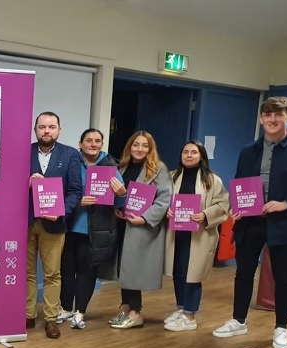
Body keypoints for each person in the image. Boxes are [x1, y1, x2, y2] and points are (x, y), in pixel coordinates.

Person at [212, 96, 287, 348]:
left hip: (283, 223)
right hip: (249, 223)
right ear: (261, 118)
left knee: (283, 277)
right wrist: (235, 207)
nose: (272, 120)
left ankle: (281, 328)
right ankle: (238, 320)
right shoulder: (248, 150)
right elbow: (240, 183)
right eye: (268, 115)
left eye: (278, 115)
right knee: (243, 273)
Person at [58, 128, 126, 329]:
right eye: (89, 140)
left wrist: (122, 194)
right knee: (67, 269)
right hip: (68, 227)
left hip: (96, 231)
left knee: (87, 272)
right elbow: (60, 192)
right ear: (80, 144)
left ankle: (80, 311)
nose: (93, 144)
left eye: (97, 141)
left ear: (102, 144)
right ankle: (65, 307)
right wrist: (76, 201)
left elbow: (119, 204)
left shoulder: (111, 167)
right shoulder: (71, 162)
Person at [27, 112, 83, 339]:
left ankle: (51, 318)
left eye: (51, 127)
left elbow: (75, 191)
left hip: (54, 223)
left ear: (59, 130)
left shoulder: (70, 154)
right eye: (42, 127)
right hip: (25, 221)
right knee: (26, 272)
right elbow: (9, 185)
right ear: (35, 130)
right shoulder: (23, 151)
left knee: (52, 274)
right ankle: (28, 315)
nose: (46, 131)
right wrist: (26, 184)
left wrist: (60, 211)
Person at [163, 141, 229, 332]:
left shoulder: (212, 180)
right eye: (185, 152)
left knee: (193, 274)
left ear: (201, 156)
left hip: (199, 235)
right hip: (176, 233)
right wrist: (166, 210)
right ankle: (181, 308)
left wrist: (205, 214)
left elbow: (223, 204)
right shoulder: (172, 177)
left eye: (194, 152)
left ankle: (190, 315)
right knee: (178, 272)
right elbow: (161, 199)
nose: (189, 155)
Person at [110, 131, 173, 329]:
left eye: (145, 145)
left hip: (141, 226)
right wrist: (117, 208)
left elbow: (164, 199)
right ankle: (126, 307)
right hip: (123, 224)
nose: (139, 149)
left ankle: (136, 313)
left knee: (134, 268)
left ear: (150, 149)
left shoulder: (159, 169)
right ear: (130, 147)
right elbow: (118, 195)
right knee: (123, 267)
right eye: (136, 144)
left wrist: (145, 218)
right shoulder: (122, 167)